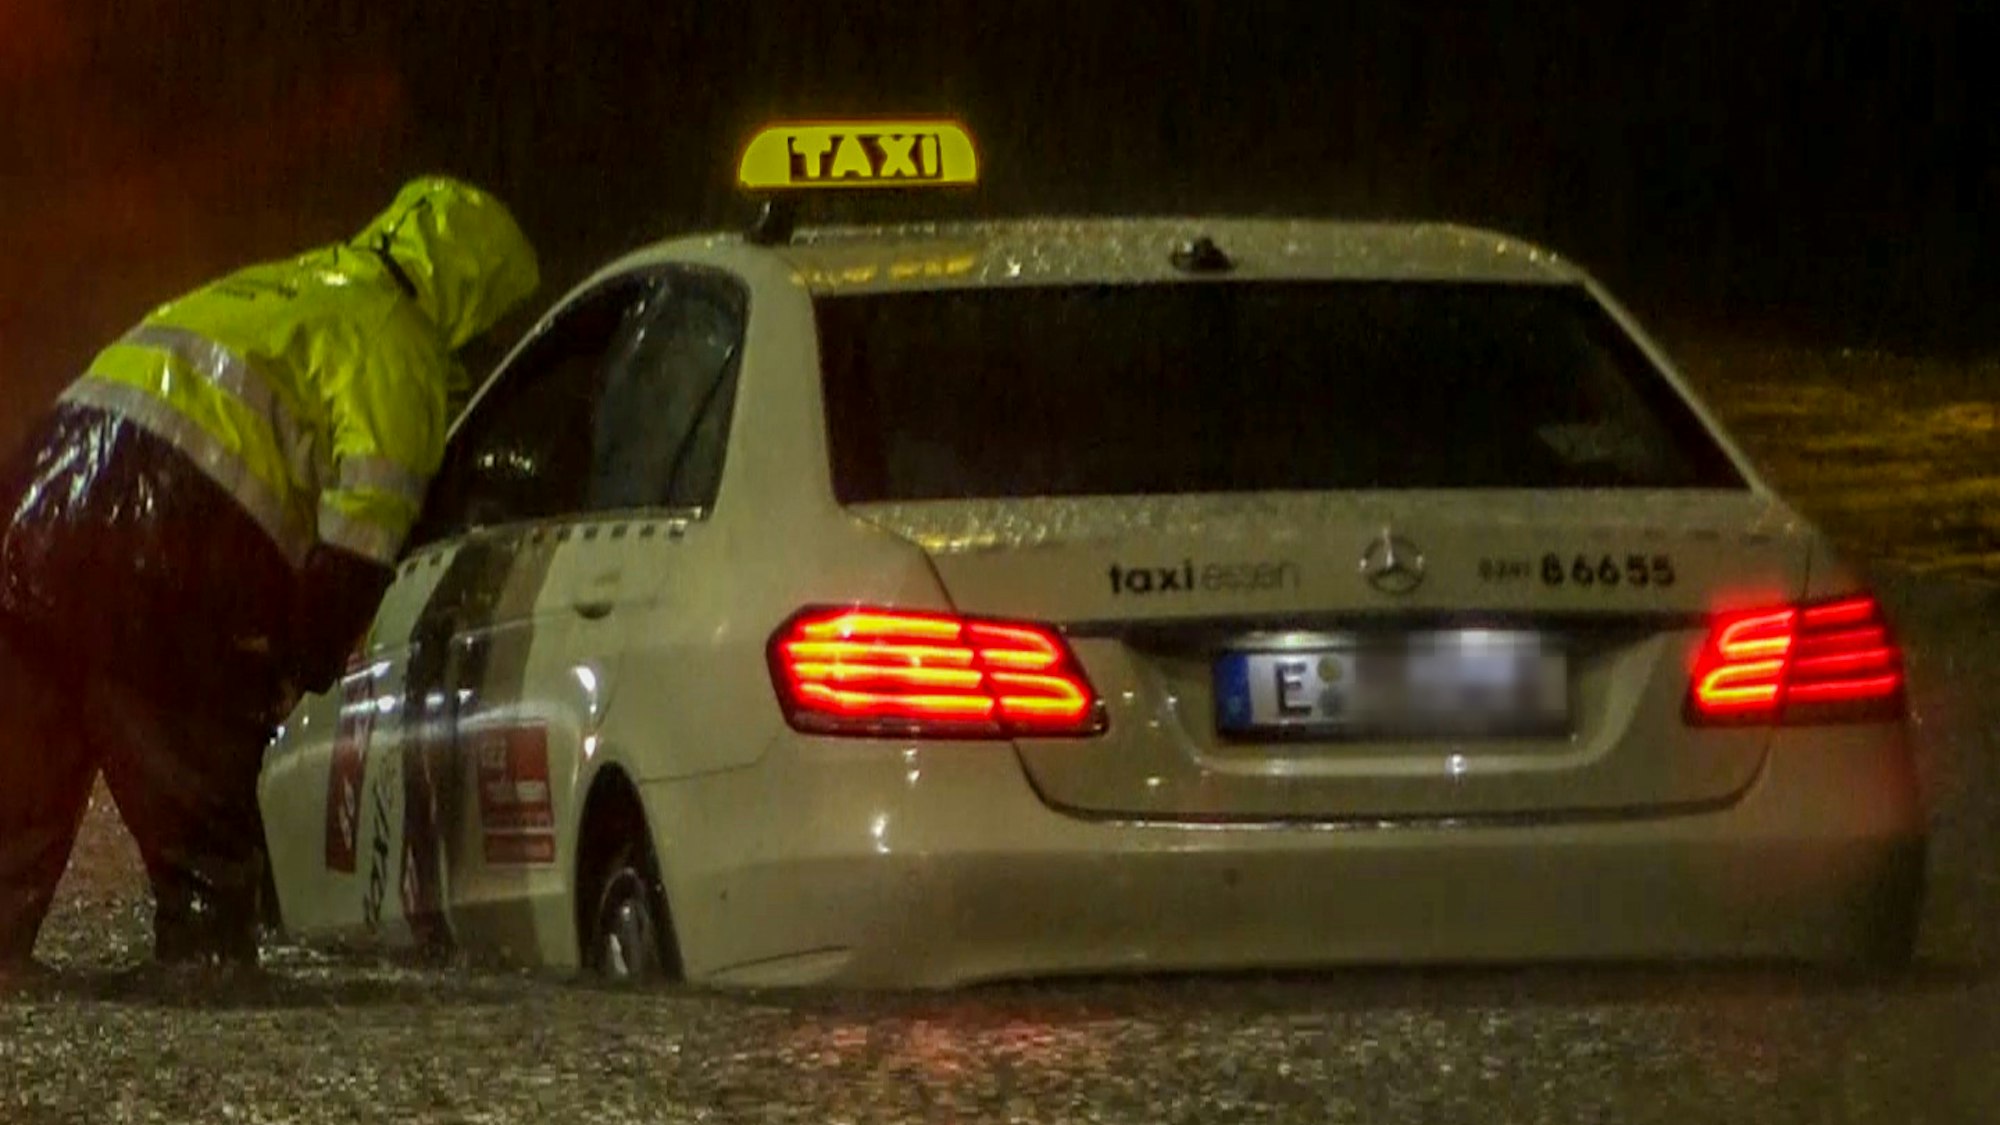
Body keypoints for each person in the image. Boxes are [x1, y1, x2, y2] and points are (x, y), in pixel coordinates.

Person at [0, 176, 540, 976]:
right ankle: (206, 954)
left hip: (37, 502)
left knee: (25, 755)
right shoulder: (398, 349)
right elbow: (361, 541)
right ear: (474, 287)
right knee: (190, 741)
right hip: (158, 531)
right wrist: (300, 658)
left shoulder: (277, 285)